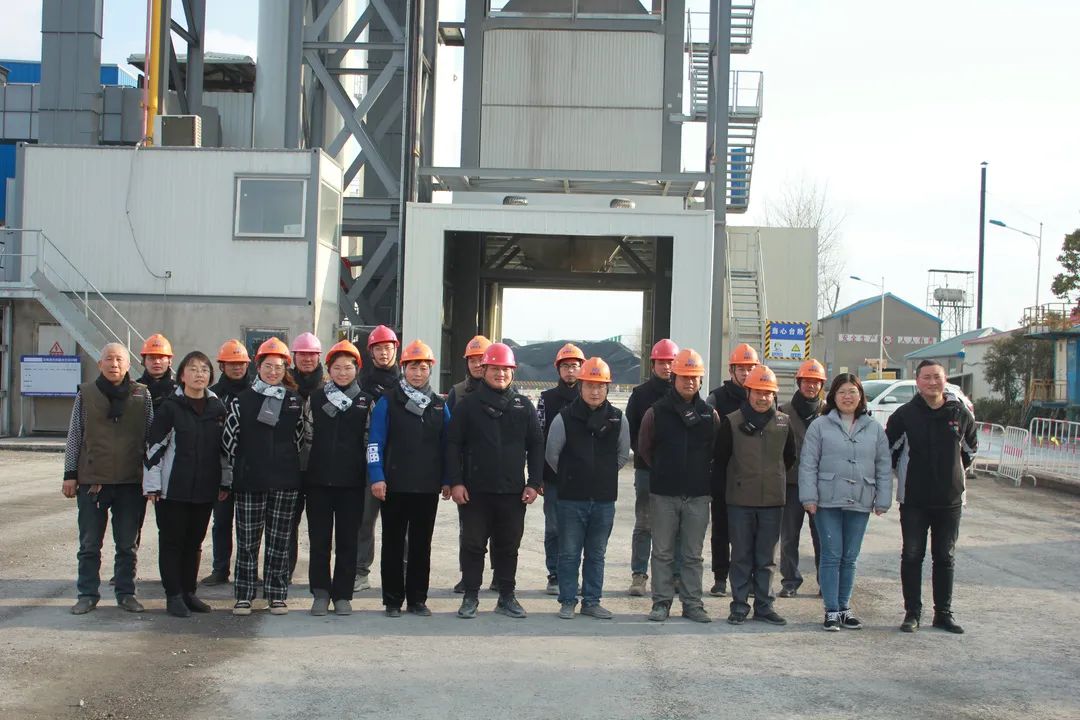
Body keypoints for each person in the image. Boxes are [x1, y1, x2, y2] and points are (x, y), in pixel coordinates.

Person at [447, 342, 544, 619]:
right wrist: (456, 481)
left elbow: (536, 445)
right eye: (495, 369)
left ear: (512, 371)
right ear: (484, 369)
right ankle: (470, 596)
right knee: (473, 545)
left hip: (513, 492)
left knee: (508, 547)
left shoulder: (523, 406)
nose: (500, 374)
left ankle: (506, 596)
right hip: (474, 492)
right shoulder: (468, 406)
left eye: (505, 369)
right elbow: (452, 445)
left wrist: (533, 482)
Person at [886, 359, 977, 634]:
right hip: (914, 500)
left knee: (945, 557)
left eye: (937, 377)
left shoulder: (960, 413)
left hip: (950, 501)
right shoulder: (904, 415)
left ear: (945, 379)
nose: (932, 382)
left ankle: (943, 614)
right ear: (917, 381)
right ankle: (912, 613)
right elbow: (890, 453)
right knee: (912, 555)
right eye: (926, 377)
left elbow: (969, 451)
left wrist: (950, 474)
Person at [63, 343, 153, 615]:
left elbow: (151, 438)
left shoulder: (142, 394)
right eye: (109, 359)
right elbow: (75, 435)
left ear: (128, 365)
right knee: (89, 544)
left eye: (119, 360)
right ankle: (87, 594)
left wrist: (153, 480)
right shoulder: (86, 394)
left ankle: (126, 593)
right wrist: (70, 475)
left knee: (127, 544)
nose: (114, 364)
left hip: (130, 481)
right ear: (99, 363)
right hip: (93, 481)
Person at [799, 373, 892, 631]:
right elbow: (808, 463)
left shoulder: (874, 428)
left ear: (861, 396)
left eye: (852, 392)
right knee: (831, 554)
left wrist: (883, 498)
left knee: (850, 556)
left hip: (860, 498)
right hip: (827, 499)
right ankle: (831, 610)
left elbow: (883, 465)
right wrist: (809, 497)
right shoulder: (819, 426)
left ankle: (844, 607)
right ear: (833, 397)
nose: (847, 397)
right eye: (842, 392)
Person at [222, 337, 305, 616]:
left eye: (279, 367)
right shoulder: (242, 400)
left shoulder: (294, 401)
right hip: (250, 481)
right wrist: (245, 465)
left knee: (279, 541)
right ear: (257, 367)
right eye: (268, 366)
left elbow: (299, 439)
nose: (273, 372)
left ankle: (276, 595)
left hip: (285, 481)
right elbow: (229, 440)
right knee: (247, 542)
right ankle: (244, 595)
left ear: (286, 370)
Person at [367, 340, 451, 617]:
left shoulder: (438, 405)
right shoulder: (388, 401)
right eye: (413, 367)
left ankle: (417, 599)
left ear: (430, 371)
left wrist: (448, 479)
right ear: (404, 369)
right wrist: (377, 477)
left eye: (423, 368)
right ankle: (392, 600)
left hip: (427, 487)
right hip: (394, 486)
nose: (418, 373)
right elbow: (375, 442)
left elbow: (448, 446)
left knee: (421, 545)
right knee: (392, 544)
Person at [143, 351, 228, 617]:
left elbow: (224, 451)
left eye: (204, 369)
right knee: (172, 542)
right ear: (181, 375)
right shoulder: (170, 407)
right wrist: (152, 485)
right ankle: (174, 595)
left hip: (204, 488)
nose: (199, 374)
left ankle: (189, 592)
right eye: (193, 369)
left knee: (195, 542)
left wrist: (224, 482)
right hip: (172, 489)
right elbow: (153, 449)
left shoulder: (217, 408)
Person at [544, 357, 630, 620]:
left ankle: (592, 601)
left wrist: (602, 476)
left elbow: (622, 455)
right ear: (581, 386)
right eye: (590, 385)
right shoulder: (564, 418)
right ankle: (568, 601)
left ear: (607, 388)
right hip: (571, 499)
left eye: (600, 386)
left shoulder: (617, 419)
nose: (595, 391)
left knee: (596, 554)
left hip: (604, 500)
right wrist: (573, 476)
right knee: (569, 553)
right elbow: (552, 454)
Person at [637, 348, 718, 624]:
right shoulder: (656, 412)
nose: (689, 382)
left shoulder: (709, 415)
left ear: (701, 380)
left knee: (693, 555)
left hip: (698, 495)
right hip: (664, 494)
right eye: (684, 376)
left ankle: (692, 604)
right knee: (662, 552)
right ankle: (661, 603)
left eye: (694, 377)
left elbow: (716, 452)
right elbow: (645, 449)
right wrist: (665, 471)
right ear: (674, 378)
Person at [715, 364, 797, 627]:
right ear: (748, 392)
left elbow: (789, 458)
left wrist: (772, 479)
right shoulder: (732, 422)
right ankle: (739, 606)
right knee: (741, 556)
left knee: (766, 559)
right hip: (739, 502)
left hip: (772, 501)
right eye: (758, 392)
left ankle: (764, 606)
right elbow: (721, 460)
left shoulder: (784, 423)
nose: (763, 397)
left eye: (768, 392)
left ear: (774, 394)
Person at [304, 340, 371, 617]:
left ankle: (343, 594)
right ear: (328, 370)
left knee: (348, 541)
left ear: (357, 370)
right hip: (318, 482)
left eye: (348, 367)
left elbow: (369, 441)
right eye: (337, 367)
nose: (343, 372)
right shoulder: (316, 399)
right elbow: (306, 438)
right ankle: (320, 592)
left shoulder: (366, 401)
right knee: (319, 541)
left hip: (352, 484)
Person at [623, 338, 679, 597]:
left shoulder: (683, 392)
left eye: (671, 362)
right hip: (646, 469)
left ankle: (675, 575)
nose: (666, 367)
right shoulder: (640, 395)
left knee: (676, 524)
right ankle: (639, 575)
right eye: (662, 362)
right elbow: (631, 432)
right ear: (653, 364)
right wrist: (649, 456)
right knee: (644, 523)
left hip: (676, 471)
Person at [704, 342, 759, 597]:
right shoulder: (716, 398)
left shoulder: (762, 396)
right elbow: (708, 437)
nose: (746, 373)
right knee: (721, 529)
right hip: (723, 473)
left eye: (750, 368)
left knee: (749, 532)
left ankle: (747, 579)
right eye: (741, 369)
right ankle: (720, 577)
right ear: (732, 370)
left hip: (751, 476)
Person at [201, 339, 251, 586]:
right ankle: (220, 569)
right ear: (221, 365)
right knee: (221, 522)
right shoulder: (212, 396)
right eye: (231, 363)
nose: (237, 367)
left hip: (248, 468)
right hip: (219, 468)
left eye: (241, 363)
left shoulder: (255, 392)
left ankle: (246, 571)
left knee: (248, 526)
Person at [537, 342, 585, 595]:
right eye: (565, 366)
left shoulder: (590, 396)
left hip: (581, 477)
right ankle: (554, 574)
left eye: (574, 366)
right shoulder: (547, 399)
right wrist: (537, 476)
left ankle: (572, 574)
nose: (570, 371)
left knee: (577, 530)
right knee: (554, 528)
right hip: (553, 476)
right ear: (558, 369)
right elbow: (538, 439)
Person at [355, 324, 401, 592]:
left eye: (388, 348)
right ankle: (360, 571)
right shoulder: (360, 383)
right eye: (378, 348)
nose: (384, 353)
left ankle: (399, 572)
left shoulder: (405, 384)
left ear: (395, 350)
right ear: (370, 352)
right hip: (367, 462)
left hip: (398, 461)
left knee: (398, 523)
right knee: (364, 520)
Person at [447, 334, 494, 594]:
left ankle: (499, 576)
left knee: (499, 529)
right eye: (472, 360)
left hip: (497, 472)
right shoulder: (457, 393)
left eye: (481, 359)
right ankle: (468, 576)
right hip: (467, 473)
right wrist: (452, 478)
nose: (477, 364)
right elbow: (449, 438)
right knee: (468, 530)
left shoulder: (504, 389)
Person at [777, 358, 825, 598]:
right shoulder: (783, 411)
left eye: (816, 382)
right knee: (789, 536)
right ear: (799, 382)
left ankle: (825, 581)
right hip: (791, 483)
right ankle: (790, 581)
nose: (811, 386)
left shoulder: (828, 412)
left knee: (822, 537)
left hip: (820, 485)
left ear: (821, 385)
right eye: (806, 381)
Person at [287, 332, 324, 581]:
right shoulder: (284, 385)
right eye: (302, 354)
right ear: (294, 357)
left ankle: (318, 577)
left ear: (319, 357)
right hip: (289, 466)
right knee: (287, 523)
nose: (307, 358)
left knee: (319, 525)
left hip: (319, 466)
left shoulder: (328, 386)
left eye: (312, 354)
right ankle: (284, 571)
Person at [138, 333, 177, 408]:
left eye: (161, 358)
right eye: (152, 358)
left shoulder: (178, 391)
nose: (157, 362)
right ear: (144, 361)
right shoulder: (135, 390)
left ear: (169, 361)